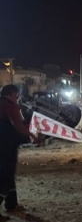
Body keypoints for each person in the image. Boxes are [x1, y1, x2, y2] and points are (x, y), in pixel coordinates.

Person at [0, 85, 37, 214]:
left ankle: (11, 204)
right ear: (11, 94)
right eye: (16, 96)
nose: (17, 98)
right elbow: (17, 123)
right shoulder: (9, 105)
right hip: (7, 145)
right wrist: (31, 135)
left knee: (8, 175)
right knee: (6, 175)